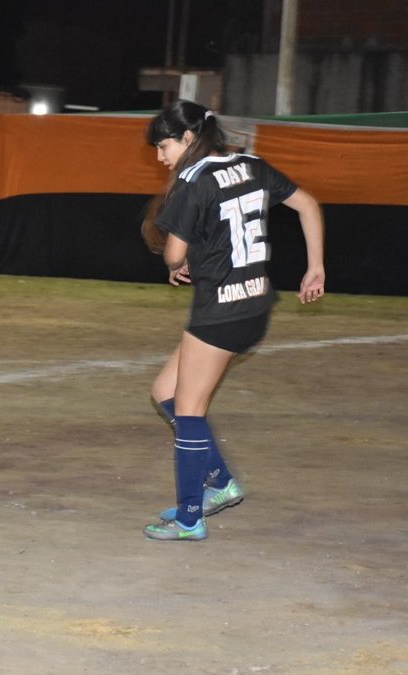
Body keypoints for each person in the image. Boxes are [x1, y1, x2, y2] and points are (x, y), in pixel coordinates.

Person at [139, 100, 325, 541]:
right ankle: (220, 483)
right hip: (254, 305)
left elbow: (174, 255)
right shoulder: (252, 164)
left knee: (189, 411)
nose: (160, 156)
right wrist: (315, 267)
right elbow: (307, 205)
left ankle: (190, 518)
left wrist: (177, 259)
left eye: (164, 146)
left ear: (188, 138)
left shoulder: (193, 181)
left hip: (221, 313)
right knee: (164, 391)